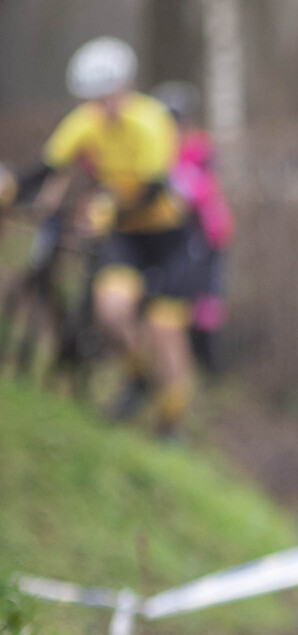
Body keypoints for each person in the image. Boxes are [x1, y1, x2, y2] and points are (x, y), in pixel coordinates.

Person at [8, 39, 200, 431]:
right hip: (125, 236)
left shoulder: (151, 121)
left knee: (165, 331)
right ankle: (137, 377)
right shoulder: (85, 122)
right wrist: (10, 185)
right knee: (111, 310)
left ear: (124, 87)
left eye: (107, 95)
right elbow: (48, 166)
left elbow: (151, 188)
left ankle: (172, 421)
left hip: (168, 238)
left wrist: (108, 204)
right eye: (92, 98)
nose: (101, 106)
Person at [150, 83, 234, 373]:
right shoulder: (160, 149)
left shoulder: (199, 148)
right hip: (177, 234)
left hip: (205, 234)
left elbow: (202, 191)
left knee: (205, 302)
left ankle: (208, 365)